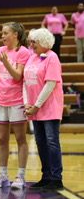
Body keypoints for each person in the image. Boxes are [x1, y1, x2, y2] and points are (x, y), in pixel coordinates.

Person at [0, 22, 30, 189]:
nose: (2, 36)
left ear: (15, 35)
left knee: (20, 139)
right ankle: (3, 175)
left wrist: (6, 63)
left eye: (5, 33)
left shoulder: (23, 52)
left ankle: (20, 175)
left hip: (17, 101)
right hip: (0, 100)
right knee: (2, 139)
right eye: (2, 33)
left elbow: (18, 76)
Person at [24, 28, 64, 190]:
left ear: (44, 43)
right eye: (31, 41)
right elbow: (25, 82)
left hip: (49, 107)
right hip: (35, 108)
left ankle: (56, 178)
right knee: (40, 142)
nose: (31, 44)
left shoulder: (52, 58)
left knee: (52, 142)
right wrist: (28, 103)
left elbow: (50, 84)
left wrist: (36, 105)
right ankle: (46, 176)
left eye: (34, 42)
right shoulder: (32, 57)